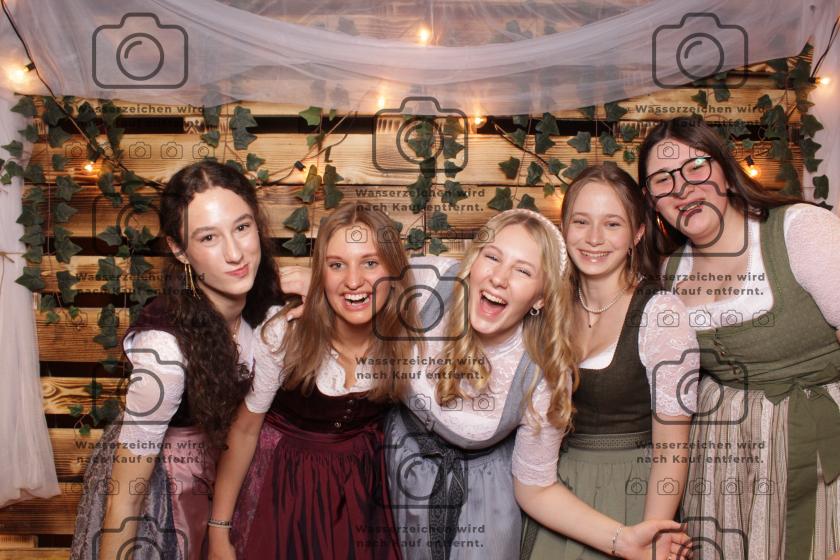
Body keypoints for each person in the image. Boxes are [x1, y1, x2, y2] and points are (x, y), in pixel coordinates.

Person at [639, 115, 840, 560]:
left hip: (820, 453)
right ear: (652, 202)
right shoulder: (670, 273)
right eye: (663, 180)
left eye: (696, 167)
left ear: (727, 172)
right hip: (723, 470)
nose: (682, 188)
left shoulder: (799, 230)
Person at [70, 161, 284, 560]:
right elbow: (125, 498)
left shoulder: (269, 314)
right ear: (179, 250)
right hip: (165, 486)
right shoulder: (164, 351)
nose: (235, 253)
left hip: (231, 474)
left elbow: (247, 429)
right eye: (209, 237)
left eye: (242, 227)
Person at [208, 203, 419, 560]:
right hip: (284, 484)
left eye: (370, 263)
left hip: (361, 492)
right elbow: (244, 430)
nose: (354, 280)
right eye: (337, 265)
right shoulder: (286, 332)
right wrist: (218, 529)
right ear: (320, 272)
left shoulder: (409, 336)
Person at [520, 163, 698, 559]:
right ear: (564, 227)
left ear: (637, 233)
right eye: (581, 221)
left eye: (612, 224)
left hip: (632, 492)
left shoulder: (661, 314)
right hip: (560, 496)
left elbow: (672, 451)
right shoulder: (548, 306)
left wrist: (652, 537)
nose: (594, 238)